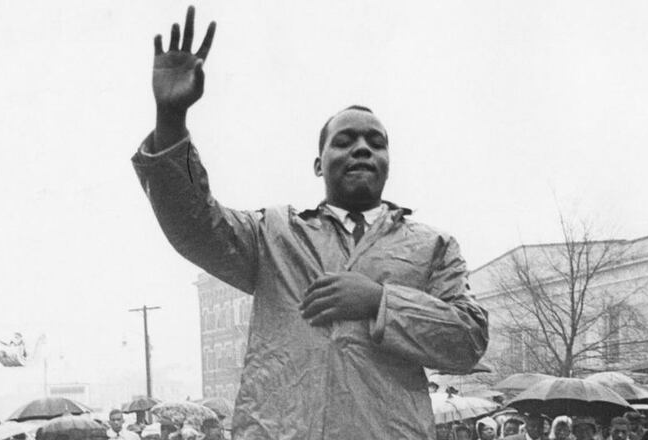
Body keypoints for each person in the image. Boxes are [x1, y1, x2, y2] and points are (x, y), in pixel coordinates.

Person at [132, 6, 489, 440]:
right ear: (319, 165)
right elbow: (193, 226)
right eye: (345, 141)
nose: (362, 148)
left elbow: (468, 340)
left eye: (375, 143)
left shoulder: (434, 246)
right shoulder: (275, 234)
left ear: (387, 163)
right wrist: (170, 121)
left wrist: (379, 301)